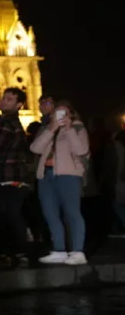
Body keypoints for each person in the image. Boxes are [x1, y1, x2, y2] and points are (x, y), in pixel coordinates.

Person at [30, 100, 91, 265]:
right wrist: (51, 129)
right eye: (57, 113)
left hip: (68, 175)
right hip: (46, 175)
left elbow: (81, 150)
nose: (60, 116)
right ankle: (59, 250)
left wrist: (69, 129)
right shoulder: (48, 129)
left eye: (65, 113)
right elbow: (35, 148)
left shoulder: (77, 128)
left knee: (72, 213)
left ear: (71, 114)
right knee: (50, 213)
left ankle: (78, 251)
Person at [0, 88, 35, 266]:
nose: (4, 101)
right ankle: (19, 252)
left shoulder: (5, 124)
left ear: (19, 105)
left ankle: (10, 252)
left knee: (4, 216)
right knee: (12, 215)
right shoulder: (16, 124)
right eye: (4, 98)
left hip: (4, 177)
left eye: (9, 99)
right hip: (15, 177)